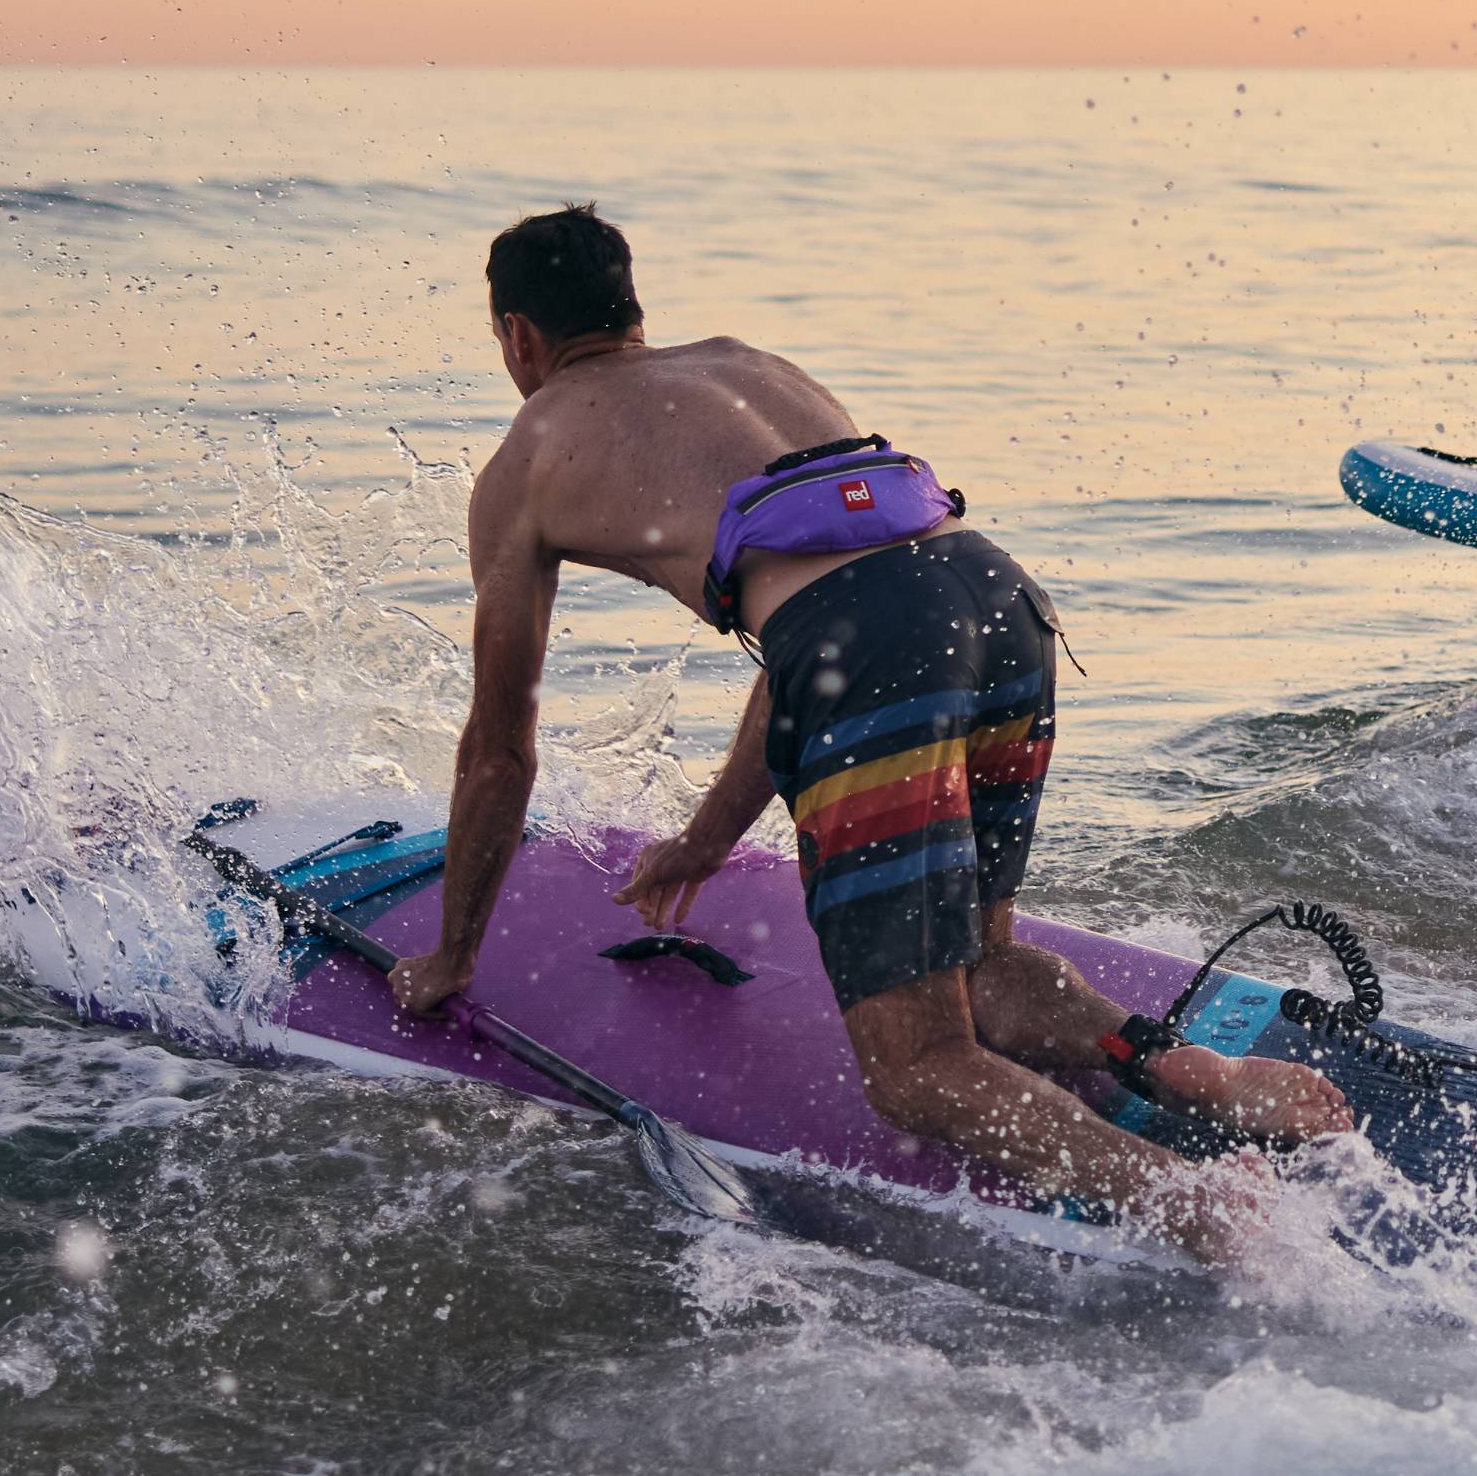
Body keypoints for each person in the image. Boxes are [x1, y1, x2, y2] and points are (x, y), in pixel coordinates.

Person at [385, 205, 1349, 1264]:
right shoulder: (751, 365)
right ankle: (1179, 1065)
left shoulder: (527, 462)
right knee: (978, 960)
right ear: (633, 308)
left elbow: (499, 748)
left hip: (872, 646)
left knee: (915, 1068)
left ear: (518, 336)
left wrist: (451, 955)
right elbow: (821, 622)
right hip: (997, 597)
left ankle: (1193, 1202)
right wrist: (708, 836)